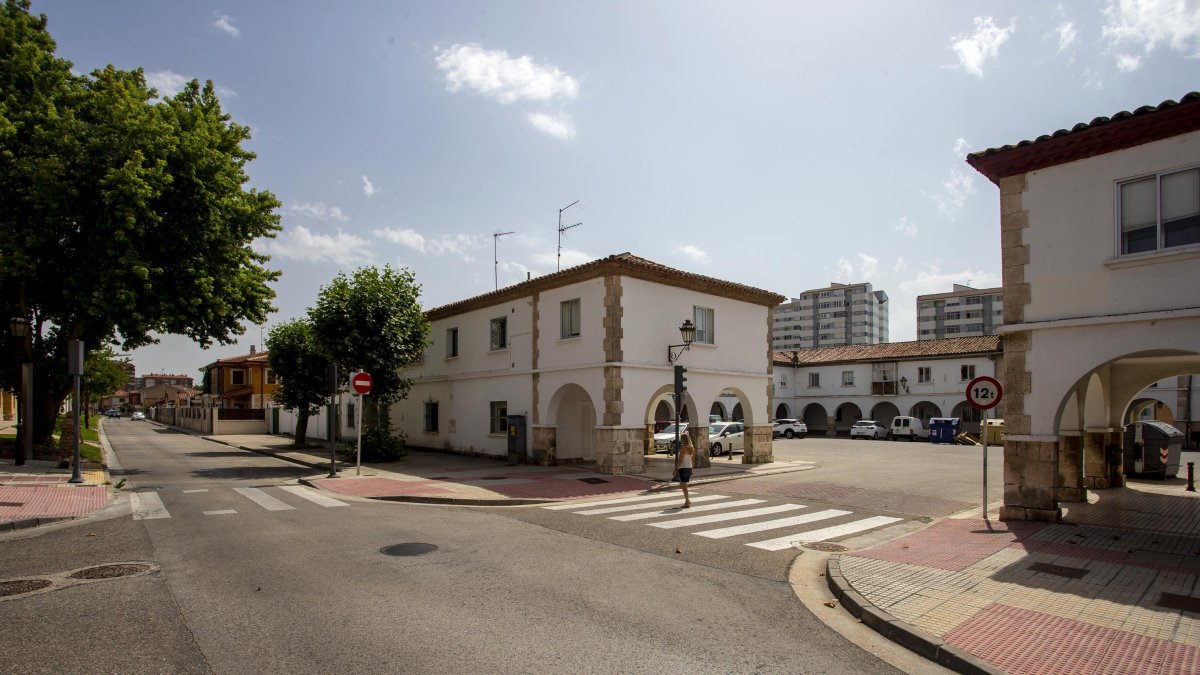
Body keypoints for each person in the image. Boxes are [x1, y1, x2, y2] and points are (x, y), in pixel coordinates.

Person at [674, 432, 695, 508]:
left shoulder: (683, 448)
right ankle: (687, 500)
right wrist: (692, 469)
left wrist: (676, 469)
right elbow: (692, 459)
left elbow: (680, 460)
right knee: (684, 484)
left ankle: (687, 501)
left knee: (683, 485)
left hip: (683, 467)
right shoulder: (692, 447)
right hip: (689, 467)